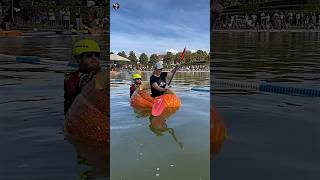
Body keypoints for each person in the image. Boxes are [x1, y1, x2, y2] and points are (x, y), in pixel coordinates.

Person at [64, 39, 101, 116]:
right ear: (79, 59)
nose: (94, 58)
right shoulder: (72, 79)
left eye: (97, 55)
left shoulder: (102, 75)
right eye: (89, 55)